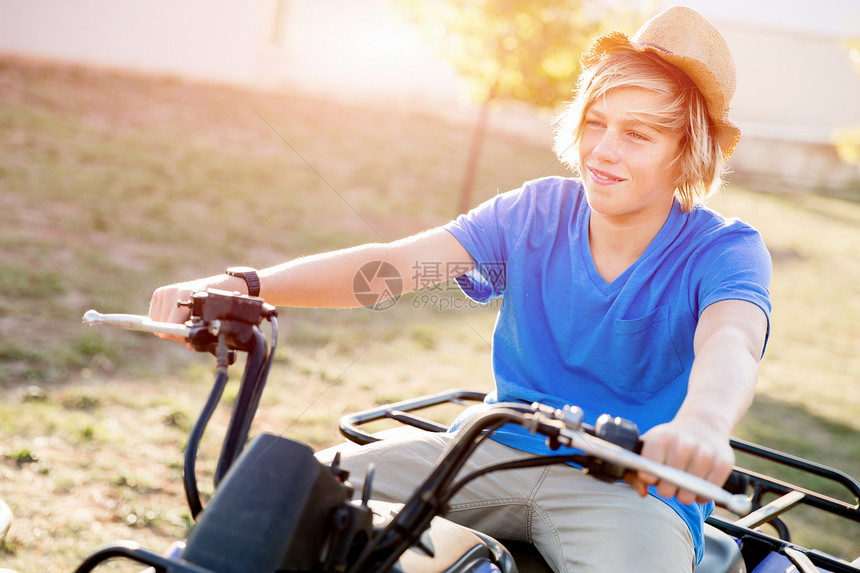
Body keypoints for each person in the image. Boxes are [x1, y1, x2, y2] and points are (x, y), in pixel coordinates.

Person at [149, 6, 771, 571]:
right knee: (276, 504)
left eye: (638, 134)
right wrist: (247, 285)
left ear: (687, 151)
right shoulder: (534, 213)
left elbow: (732, 341)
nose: (603, 151)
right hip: (491, 450)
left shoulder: (723, 250)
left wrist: (704, 425)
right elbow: (389, 270)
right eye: (596, 122)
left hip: (634, 489)